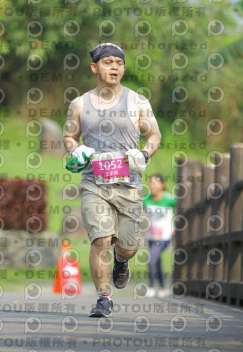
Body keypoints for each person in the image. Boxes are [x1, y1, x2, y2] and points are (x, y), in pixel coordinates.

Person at [63, 43, 162, 317]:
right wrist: (75, 149)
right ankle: (103, 298)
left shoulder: (138, 102)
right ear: (95, 67)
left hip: (129, 184)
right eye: (108, 62)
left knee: (128, 247)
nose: (114, 67)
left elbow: (154, 135)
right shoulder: (80, 103)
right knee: (100, 239)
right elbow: (70, 136)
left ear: (124, 68)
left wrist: (144, 153)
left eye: (119, 63)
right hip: (94, 183)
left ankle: (121, 261)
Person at [143, 174, 176, 298]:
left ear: (162, 185)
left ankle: (151, 287)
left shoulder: (170, 199)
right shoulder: (146, 199)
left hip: (165, 236)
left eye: (155, 183)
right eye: (151, 183)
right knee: (157, 262)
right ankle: (163, 288)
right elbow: (139, 213)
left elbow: (184, 210)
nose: (152, 186)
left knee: (151, 260)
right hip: (151, 236)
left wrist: (176, 226)